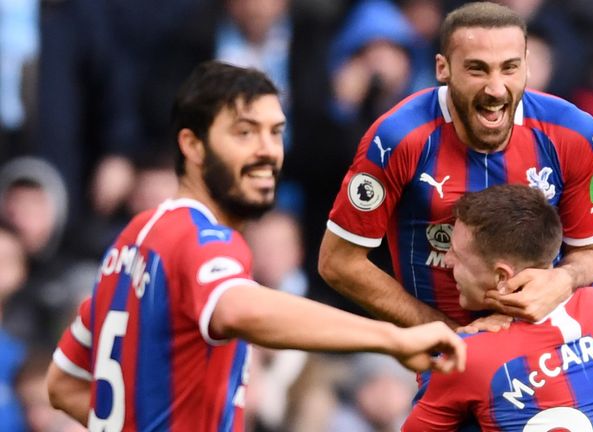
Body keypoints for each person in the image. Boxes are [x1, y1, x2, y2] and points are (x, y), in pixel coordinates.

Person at [44, 61, 466, 431]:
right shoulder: (198, 236)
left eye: (275, 132)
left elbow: (64, 383)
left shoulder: (133, 241)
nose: (267, 150)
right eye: (244, 133)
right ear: (192, 145)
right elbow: (237, 309)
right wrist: (392, 338)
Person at [318, 1, 593, 328]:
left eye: (509, 68)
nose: (496, 88)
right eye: (477, 69)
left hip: (543, 344)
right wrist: (453, 337)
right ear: (443, 68)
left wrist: (566, 278)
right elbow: (338, 262)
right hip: (443, 353)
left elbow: (589, 253)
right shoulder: (399, 138)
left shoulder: (574, 133)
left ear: (527, 66)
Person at [402, 184, 593, 431]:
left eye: (457, 254)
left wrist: (450, 354)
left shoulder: (468, 357)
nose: (447, 261)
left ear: (501, 277)